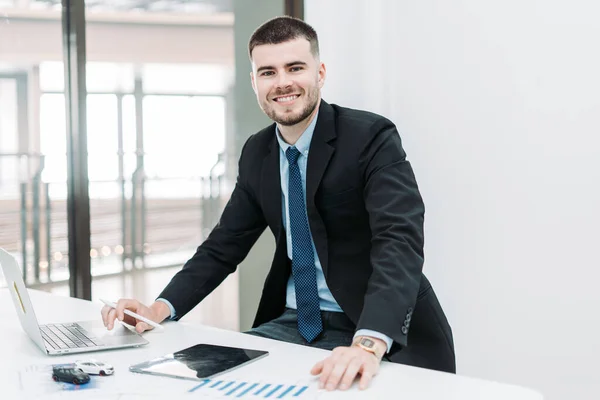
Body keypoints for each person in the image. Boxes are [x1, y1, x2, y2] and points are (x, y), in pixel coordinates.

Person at [101, 16, 455, 391]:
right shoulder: (258, 152)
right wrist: (157, 309)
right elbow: (224, 246)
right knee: (182, 382)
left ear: (319, 73)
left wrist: (368, 345)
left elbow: (398, 239)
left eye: (295, 68)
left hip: (371, 327)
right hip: (292, 323)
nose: (282, 82)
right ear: (255, 82)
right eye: (268, 72)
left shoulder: (370, 137)